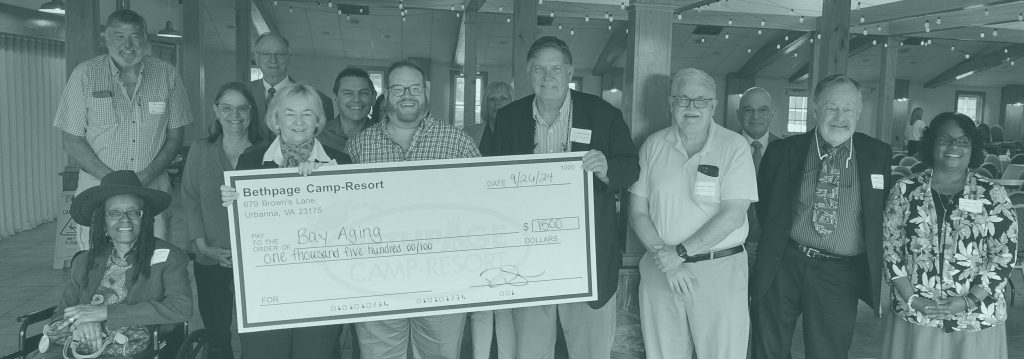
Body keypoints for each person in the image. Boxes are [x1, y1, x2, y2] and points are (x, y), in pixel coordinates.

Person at [485, 36, 640, 359]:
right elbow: (493, 179)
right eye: (539, 69)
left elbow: (631, 166)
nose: (548, 77)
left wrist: (607, 167)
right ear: (528, 73)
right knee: (530, 349)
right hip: (528, 258)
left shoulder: (602, 114)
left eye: (556, 68)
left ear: (569, 71)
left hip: (588, 257)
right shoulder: (510, 118)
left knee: (589, 350)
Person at [750, 74, 892, 359]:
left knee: (829, 352)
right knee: (769, 348)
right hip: (785, 263)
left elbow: (880, 212)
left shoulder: (878, 154)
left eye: (848, 109)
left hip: (839, 273)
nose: (840, 117)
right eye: (831, 107)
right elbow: (766, 206)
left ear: (859, 112)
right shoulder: (782, 151)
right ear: (815, 108)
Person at [346, 60, 479, 358]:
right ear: (387, 93)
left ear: (426, 90)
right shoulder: (358, 147)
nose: (408, 95)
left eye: (415, 87)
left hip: (443, 281)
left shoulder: (459, 144)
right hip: (376, 281)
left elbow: (480, 208)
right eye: (398, 88)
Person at [629, 68, 757, 358]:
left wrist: (680, 254)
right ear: (671, 103)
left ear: (713, 105)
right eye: (683, 99)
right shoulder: (652, 145)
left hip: (719, 270)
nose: (691, 107)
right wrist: (670, 261)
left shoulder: (734, 146)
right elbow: (637, 212)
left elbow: (734, 215)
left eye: (701, 100)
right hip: (661, 270)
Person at [220, 83, 351, 359]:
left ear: (318, 121)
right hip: (266, 288)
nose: (299, 121)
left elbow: (349, 228)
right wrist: (233, 203)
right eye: (289, 113)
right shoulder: (251, 161)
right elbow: (246, 228)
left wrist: (324, 184)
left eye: (308, 114)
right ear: (275, 120)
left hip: (321, 289)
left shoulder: (340, 163)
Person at [53, 9, 192, 251]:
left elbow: (176, 137)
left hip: (151, 190)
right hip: (98, 190)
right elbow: (71, 140)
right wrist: (112, 180)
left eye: (135, 36)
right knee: (97, 262)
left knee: (153, 262)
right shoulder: (85, 75)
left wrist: (145, 176)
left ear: (145, 40)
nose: (127, 45)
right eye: (119, 36)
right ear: (106, 39)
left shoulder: (167, 75)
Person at [881, 112, 1017, 358]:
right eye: (945, 139)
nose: (954, 146)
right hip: (919, 312)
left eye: (963, 141)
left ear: (972, 148)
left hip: (976, 316)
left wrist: (969, 301)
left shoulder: (992, 194)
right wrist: (912, 300)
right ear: (931, 142)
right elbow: (890, 248)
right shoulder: (905, 190)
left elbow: (1004, 255)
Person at [32, 170, 192, 358]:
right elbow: (61, 314)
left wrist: (105, 313)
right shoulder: (85, 261)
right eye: (114, 213)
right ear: (103, 220)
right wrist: (85, 322)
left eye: (134, 212)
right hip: (78, 341)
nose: (125, 220)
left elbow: (181, 307)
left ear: (145, 218)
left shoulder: (171, 257)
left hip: (129, 346)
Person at [180, 82, 266, 359]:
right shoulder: (201, 150)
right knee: (217, 330)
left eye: (242, 108)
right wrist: (202, 246)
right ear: (216, 110)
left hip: (256, 259)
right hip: (211, 254)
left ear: (252, 112)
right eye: (227, 108)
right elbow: (190, 199)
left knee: (256, 329)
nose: (235, 115)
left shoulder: (267, 153)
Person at [247, 32, 336, 151]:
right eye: (266, 54)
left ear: (288, 57)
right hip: (250, 165)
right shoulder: (242, 95)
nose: (273, 59)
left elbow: (324, 145)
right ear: (257, 59)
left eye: (280, 53)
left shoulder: (319, 100)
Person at [735, 86, 780, 270]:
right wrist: (742, 245)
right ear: (739, 114)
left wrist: (765, 244)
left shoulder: (788, 150)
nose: (755, 116)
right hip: (731, 248)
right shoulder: (723, 147)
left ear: (772, 114)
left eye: (762, 110)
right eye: (748, 110)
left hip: (773, 252)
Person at [320, 67, 376, 153]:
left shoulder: (385, 137)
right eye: (348, 93)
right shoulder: (319, 136)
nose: (356, 99)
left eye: (363, 93)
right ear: (335, 98)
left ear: (373, 98)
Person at [469, 81, 513, 155]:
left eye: (503, 98)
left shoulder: (523, 132)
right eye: (492, 99)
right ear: (485, 104)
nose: (497, 102)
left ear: (512, 103)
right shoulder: (470, 133)